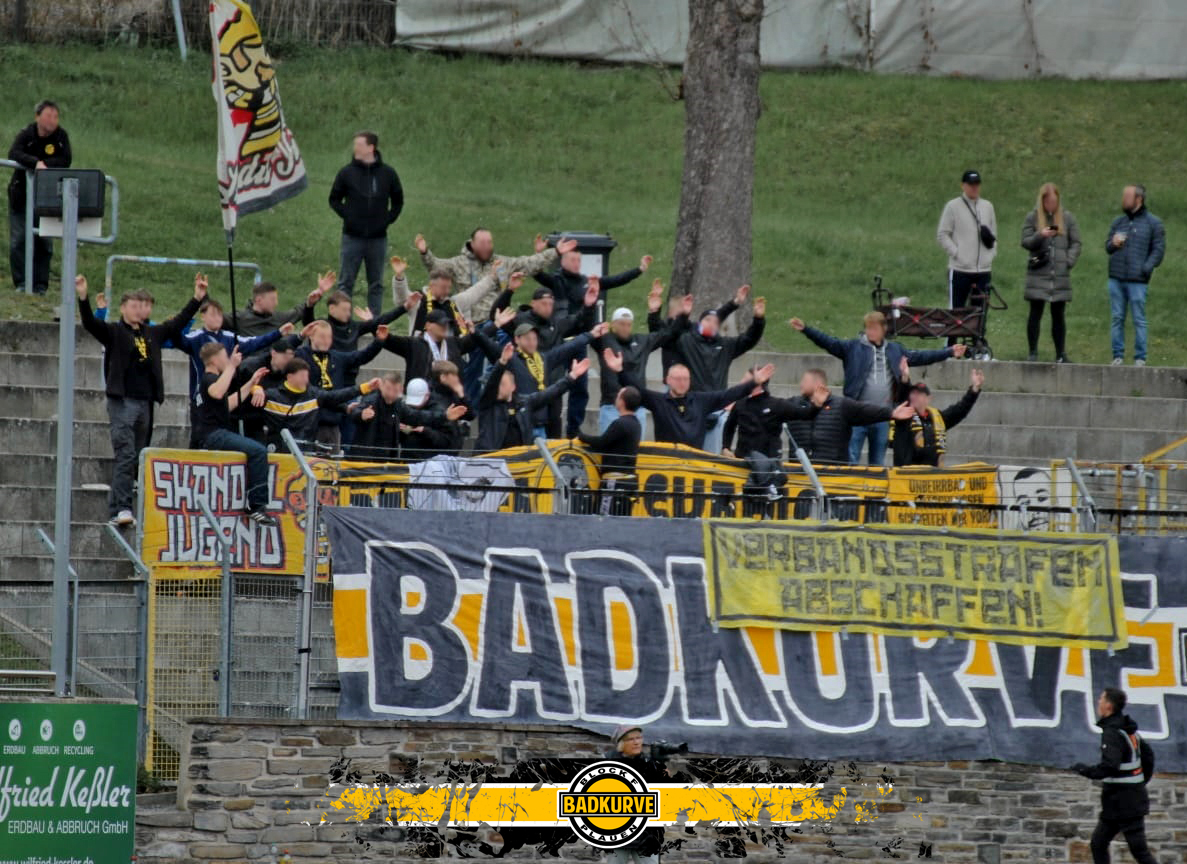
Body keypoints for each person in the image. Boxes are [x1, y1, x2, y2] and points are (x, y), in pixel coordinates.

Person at [76, 273, 204, 526]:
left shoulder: (152, 333)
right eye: (132, 306)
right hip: (123, 401)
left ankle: (122, 506)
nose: (137, 310)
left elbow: (177, 323)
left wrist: (197, 299)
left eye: (140, 306)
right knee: (125, 454)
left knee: (138, 455)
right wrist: (83, 297)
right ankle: (122, 508)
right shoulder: (114, 332)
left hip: (146, 402)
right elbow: (90, 323)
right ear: (123, 308)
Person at [415, 230, 579, 405]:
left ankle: (501, 393)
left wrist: (555, 252)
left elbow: (529, 263)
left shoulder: (502, 263)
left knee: (508, 350)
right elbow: (436, 267)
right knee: (472, 367)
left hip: (499, 322)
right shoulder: (459, 263)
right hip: (473, 325)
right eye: (482, 243)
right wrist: (425, 252)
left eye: (489, 242)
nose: (487, 247)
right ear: (472, 243)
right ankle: (470, 406)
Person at [789, 312, 962, 465]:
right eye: (867, 328)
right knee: (852, 457)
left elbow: (921, 356)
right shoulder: (852, 347)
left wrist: (949, 352)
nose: (869, 332)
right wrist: (806, 329)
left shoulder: (895, 350)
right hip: (856, 413)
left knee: (877, 461)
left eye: (873, 328)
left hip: (883, 415)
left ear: (883, 329)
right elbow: (828, 342)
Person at [603, 349, 773, 451]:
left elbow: (727, 395)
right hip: (667, 462)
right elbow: (637, 389)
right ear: (668, 380)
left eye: (685, 379)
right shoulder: (658, 401)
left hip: (693, 464)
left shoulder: (701, 400)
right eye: (677, 379)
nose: (682, 383)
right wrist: (620, 371)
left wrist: (753, 383)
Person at [472, 309, 603, 441]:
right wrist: (475, 332)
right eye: (527, 338)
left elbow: (567, 348)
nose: (532, 342)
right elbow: (489, 346)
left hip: (541, 427)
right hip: (520, 426)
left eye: (534, 339)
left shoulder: (544, 359)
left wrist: (591, 335)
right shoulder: (511, 360)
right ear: (517, 339)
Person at [668, 285, 766, 453]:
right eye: (708, 320)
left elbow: (749, 339)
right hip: (693, 407)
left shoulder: (725, 346)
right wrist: (683, 315)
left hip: (717, 407)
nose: (712, 324)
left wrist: (758, 320)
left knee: (711, 457)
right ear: (699, 323)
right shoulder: (687, 341)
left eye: (716, 322)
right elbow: (671, 332)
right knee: (688, 454)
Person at [191, 343, 277, 526]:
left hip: (211, 433)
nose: (228, 360)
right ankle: (256, 504)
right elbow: (217, 392)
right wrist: (232, 366)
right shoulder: (210, 379)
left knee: (256, 449)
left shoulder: (210, 382)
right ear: (215, 360)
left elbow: (227, 404)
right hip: (213, 434)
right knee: (258, 451)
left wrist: (251, 383)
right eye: (225, 357)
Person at [1072, 688, 1157, 864]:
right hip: (1120, 802)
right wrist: (1139, 782)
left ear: (1108, 706)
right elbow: (1148, 756)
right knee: (1098, 844)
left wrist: (1084, 770)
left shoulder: (1112, 732)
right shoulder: (1128, 729)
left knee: (1139, 852)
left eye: (1101, 699)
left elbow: (1110, 765)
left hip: (1124, 803)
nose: (1098, 702)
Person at [593, 281, 689, 434]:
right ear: (613, 325)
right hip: (612, 406)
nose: (625, 328)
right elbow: (586, 332)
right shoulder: (605, 340)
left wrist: (675, 314)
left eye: (628, 324)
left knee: (637, 447)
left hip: (637, 406)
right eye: (621, 324)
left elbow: (668, 334)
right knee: (609, 447)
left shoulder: (641, 341)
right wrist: (595, 328)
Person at [508, 280, 598, 437]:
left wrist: (589, 306)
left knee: (554, 423)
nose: (548, 307)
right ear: (533, 303)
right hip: (527, 387)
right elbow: (497, 315)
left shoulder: (556, 324)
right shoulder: (521, 321)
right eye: (544, 303)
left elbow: (579, 322)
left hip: (554, 384)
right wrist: (508, 291)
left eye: (551, 304)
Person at [328, 131, 404, 316]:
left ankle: (373, 321)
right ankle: (341, 319)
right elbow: (334, 199)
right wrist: (349, 216)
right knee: (346, 282)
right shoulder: (347, 173)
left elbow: (398, 200)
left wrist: (387, 220)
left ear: (371, 148)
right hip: (352, 237)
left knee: (376, 283)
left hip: (378, 239)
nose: (355, 148)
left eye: (359, 145)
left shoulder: (388, 174)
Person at [784, 368, 913, 464]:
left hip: (833, 473)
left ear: (817, 384)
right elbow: (774, 407)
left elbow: (866, 411)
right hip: (799, 472)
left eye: (804, 381)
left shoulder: (841, 405)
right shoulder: (793, 404)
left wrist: (891, 413)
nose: (801, 384)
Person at [8, 100, 71, 294]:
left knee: (44, 242)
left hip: (46, 196)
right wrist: (34, 163)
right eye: (48, 116)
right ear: (37, 117)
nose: (52, 121)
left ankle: (40, 285)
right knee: (19, 240)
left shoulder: (61, 137)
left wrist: (45, 165)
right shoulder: (27, 134)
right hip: (21, 194)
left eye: (55, 116)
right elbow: (14, 153)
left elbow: (65, 159)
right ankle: (21, 283)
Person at [296, 319, 388, 451]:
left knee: (332, 462)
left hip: (332, 422)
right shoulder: (301, 356)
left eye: (329, 337)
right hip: (308, 422)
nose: (326, 341)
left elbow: (361, 356)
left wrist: (379, 341)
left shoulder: (336, 357)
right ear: (311, 336)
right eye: (322, 336)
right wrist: (300, 336)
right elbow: (284, 350)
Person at [476, 343, 586, 451]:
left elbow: (550, 393)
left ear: (513, 386)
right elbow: (492, 384)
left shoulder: (524, 402)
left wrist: (571, 377)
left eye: (502, 384)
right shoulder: (488, 403)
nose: (497, 388)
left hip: (520, 458)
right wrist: (502, 362)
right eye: (497, 385)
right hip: (492, 458)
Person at [257, 358, 380, 452]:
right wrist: (255, 388)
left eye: (307, 376)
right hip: (278, 451)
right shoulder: (272, 396)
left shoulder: (313, 395)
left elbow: (335, 396)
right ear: (289, 377)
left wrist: (364, 388)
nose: (306, 380)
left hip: (305, 451)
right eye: (302, 376)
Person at [1021, 182, 1082, 363]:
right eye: (1048, 202)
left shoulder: (1067, 218)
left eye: (1054, 202)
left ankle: (1060, 353)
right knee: (1035, 312)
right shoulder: (1032, 217)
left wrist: (1068, 261)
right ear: (1042, 201)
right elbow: (1025, 241)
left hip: (1059, 275)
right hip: (1038, 272)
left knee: (1058, 314)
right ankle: (1033, 352)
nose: (1051, 206)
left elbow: (1076, 243)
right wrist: (1041, 235)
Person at [1106, 184, 1166, 367]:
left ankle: (1140, 357)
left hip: (1138, 280)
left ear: (1138, 199)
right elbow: (1108, 247)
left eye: (1127, 197)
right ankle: (1117, 355)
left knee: (1139, 319)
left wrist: (1145, 268)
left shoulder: (1153, 223)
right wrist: (1113, 243)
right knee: (1117, 317)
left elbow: (1158, 250)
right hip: (1116, 277)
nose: (1124, 200)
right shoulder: (1119, 222)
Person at [348, 371, 464, 460]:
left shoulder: (398, 406)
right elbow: (355, 412)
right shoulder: (371, 401)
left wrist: (444, 416)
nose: (391, 394)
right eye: (388, 389)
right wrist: (361, 415)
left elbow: (418, 416)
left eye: (395, 390)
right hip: (365, 457)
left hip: (387, 459)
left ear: (400, 389)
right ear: (381, 386)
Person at [937, 169, 997, 336]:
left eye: (977, 184)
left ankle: (978, 344)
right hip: (960, 270)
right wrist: (957, 253)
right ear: (963, 186)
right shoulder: (953, 206)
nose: (974, 188)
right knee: (956, 312)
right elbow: (943, 234)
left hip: (983, 270)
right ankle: (951, 345)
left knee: (980, 313)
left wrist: (990, 255)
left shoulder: (987, 207)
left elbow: (993, 234)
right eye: (971, 185)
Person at [890, 362, 983, 467]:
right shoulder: (904, 417)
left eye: (919, 394)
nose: (914, 396)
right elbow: (901, 399)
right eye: (912, 393)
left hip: (933, 473)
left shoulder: (937, 418)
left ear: (928, 399)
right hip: (906, 473)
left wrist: (974, 390)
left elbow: (960, 410)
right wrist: (905, 379)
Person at [575, 386, 644, 516]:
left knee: (604, 518)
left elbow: (602, 442)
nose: (616, 398)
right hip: (629, 481)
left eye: (618, 396)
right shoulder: (636, 424)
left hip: (615, 481)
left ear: (622, 402)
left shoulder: (620, 424)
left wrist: (581, 436)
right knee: (622, 519)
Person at [604, 725, 667, 864]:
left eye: (639, 738)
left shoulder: (648, 762)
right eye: (631, 739)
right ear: (621, 744)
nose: (637, 742)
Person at [391, 258, 503, 336]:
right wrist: (399, 278)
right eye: (443, 287)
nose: (447, 291)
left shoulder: (454, 302)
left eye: (449, 288)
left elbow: (475, 292)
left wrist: (492, 277)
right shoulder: (418, 301)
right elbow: (401, 299)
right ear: (432, 286)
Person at [532, 245, 652, 318]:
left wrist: (639, 269)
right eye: (573, 260)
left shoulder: (587, 281)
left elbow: (616, 280)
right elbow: (537, 273)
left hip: (582, 330)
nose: (576, 263)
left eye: (579, 260)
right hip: (562, 330)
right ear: (563, 261)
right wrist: (538, 255)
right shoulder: (557, 280)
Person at [380, 307, 489, 383]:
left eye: (447, 324)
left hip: (450, 399)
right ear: (428, 325)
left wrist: (495, 325)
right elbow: (386, 338)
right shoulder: (413, 344)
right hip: (421, 401)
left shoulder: (454, 343)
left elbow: (476, 339)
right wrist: (374, 325)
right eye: (441, 324)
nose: (445, 327)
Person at [322, 284, 415, 353]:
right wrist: (313, 301)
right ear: (332, 309)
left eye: (349, 310)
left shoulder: (354, 327)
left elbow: (381, 320)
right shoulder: (322, 325)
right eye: (344, 310)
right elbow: (311, 320)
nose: (348, 314)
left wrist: (404, 308)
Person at [233, 276, 325, 337]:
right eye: (272, 299)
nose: (276, 303)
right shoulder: (239, 318)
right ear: (259, 300)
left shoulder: (279, 318)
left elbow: (298, 312)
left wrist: (310, 301)